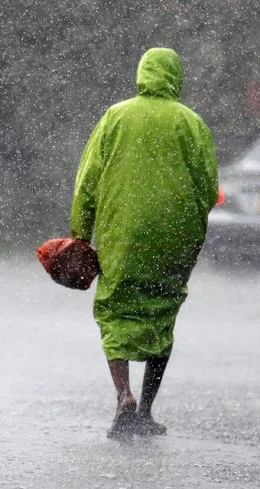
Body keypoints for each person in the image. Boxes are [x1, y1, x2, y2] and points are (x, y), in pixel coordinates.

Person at [70, 47, 219, 440]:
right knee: (161, 315)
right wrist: (189, 227)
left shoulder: (115, 117)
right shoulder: (192, 123)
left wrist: (80, 233)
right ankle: (148, 410)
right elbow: (207, 186)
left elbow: (88, 180)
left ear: (141, 73)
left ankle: (124, 396)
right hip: (174, 235)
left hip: (123, 232)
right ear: (175, 77)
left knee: (115, 309)